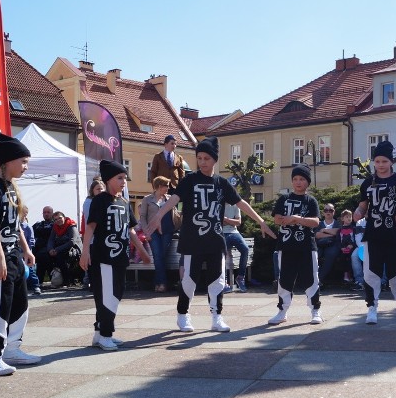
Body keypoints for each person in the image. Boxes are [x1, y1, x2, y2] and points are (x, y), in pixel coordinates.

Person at [146, 137, 275, 333]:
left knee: (218, 281)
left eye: (206, 158)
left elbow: (241, 203)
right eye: (199, 158)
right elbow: (174, 199)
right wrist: (158, 216)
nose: (202, 162)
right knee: (189, 280)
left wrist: (262, 222)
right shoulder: (189, 180)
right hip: (192, 240)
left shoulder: (221, 183)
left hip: (215, 240)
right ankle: (183, 314)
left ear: (214, 160)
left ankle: (217, 317)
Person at [0, 133, 40, 376]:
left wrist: (26, 249)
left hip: (13, 257)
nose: (26, 167)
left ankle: (13, 348)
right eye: (23, 161)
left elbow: (16, 225)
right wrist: (0, 257)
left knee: (19, 304)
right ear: (7, 161)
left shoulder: (11, 188)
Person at [81, 160, 151, 351]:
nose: (124, 182)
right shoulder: (99, 200)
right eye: (120, 178)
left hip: (120, 257)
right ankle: (105, 335)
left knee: (116, 293)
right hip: (103, 257)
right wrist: (85, 251)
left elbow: (131, 231)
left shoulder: (124, 203)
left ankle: (99, 332)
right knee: (107, 296)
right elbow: (90, 227)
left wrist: (143, 252)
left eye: (125, 178)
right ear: (108, 179)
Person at [352, 140, 396, 324]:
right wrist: (358, 212)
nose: (380, 165)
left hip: (395, 235)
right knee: (371, 273)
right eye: (377, 161)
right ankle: (372, 307)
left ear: (391, 162)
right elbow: (363, 205)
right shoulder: (367, 183)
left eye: (384, 161)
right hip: (373, 235)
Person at [268, 164, 322, 325]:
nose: (298, 182)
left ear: (307, 182)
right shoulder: (284, 199)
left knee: (311, 279)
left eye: (302, 179)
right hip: (285, 246)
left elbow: (315, 222)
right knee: (284, 280)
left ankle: (315, 310)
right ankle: (282, 311)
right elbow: (277, 219)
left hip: (307, 247)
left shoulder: (311, 201)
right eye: (295, 179)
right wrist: (290, 219)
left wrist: (295, 219)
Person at [139, 176, 175, 293]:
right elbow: (143, 217)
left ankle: (158, 282)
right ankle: (162, 283)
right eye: (166, 186)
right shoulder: (147, 199)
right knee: (157, 256)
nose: (168, 188)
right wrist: (146, 231)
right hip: (152, 231)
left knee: (162, 256)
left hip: (167, 230)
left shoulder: (169, 199)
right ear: (160, 186)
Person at [45, 211, 82, 286]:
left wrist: (57, 250)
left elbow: (72, 242)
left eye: (60, 218)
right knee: (45, 256)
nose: (58, 220)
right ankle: (55, 278)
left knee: (61, 257)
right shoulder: (55, 227)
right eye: (55, 219)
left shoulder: (71, 226)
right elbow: (51, 240)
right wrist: (50, 249)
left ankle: (67, 280)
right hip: (61, 248)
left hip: (73, 249)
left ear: (64, 218)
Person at [223, 203, 250, 293]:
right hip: (222, 232)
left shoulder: (235, 205)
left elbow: (238, 222)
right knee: (223, 254)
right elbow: (218, 221)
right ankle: (224, 282)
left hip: (234, 232)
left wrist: (226, 219)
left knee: (245, 249)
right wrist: (232, 221)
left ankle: (240, 278)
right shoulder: (218, 204)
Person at [315, 203, 341, 286]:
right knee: (315, 256)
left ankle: (318, 279)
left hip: (333, 245)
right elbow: (317, 235)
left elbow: (339, 232)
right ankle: (313, 279)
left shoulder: (338, 223)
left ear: (334, 212)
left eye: (331, 210)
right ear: (323, 213)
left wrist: (324, 230)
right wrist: (332, 234)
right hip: (319, 244)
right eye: (326, 210)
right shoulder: (318, 223)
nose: (328, 212)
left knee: (330, 255)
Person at [19, 205, 41, 295]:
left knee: (30, 269)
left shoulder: (27, 227)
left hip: (26, 252)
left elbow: (32, 240)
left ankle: (36, 286)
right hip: (17, 252)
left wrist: (26, 250)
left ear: (25, 214)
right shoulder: (16, 226)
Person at [32, 206, 54, 282]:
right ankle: (37, 281)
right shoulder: (37, 225)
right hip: (38, 249)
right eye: (44, 212)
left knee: (43, 255)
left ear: (52, 213)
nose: (46, 214)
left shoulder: (55, 224)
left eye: (48, 212)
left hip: (51, 249)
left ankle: (41, 280)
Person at [349, 216, 367, 291]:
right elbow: (358, 238)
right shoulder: (359, 222)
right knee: (354, 256)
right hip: (362, 246)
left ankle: (382, 282)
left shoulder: (378, 221)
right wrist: (363, 248)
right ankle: (359, 282)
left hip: (375, 246)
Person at [338, 210, 356, 282]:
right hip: (343, 249)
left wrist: (352, 245)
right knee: (343, 259)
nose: (349, 218)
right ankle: (345, 275)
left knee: (351, 259)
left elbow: (356, 239)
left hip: (352, 248)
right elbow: (338, 240)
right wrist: (341, 247)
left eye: (350, 217)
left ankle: (351, 276)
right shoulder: (340, 230)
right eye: (347, 217)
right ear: (342, 219)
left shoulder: (354, 228)